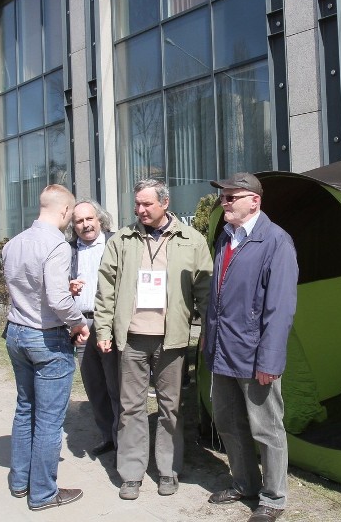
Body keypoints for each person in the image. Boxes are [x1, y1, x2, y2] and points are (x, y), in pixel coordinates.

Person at [95, 179, 212, 500]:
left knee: (170, 408)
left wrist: (205, 332)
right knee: (131, 408)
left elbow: (205, 291)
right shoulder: (122, 240)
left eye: (147, 204)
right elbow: (105, 290)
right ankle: (131, 473)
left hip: (172, 341)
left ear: (165, 203)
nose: (140, 210)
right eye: (137, 204)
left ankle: (168, 470)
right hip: (131, 339)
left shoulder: (192, 241)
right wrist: (104, 330)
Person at [202, 173, 298, 522]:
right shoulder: (226, 239)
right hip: (223, 350)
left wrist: (270, 359)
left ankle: (273, 498)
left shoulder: (276, 241)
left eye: (231, 196)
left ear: (254, 201)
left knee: (266, 428)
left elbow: (280, 307)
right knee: (228, 422)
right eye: (223, 197)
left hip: (255, 354)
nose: (224, 202)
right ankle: (245, 484)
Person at [2, 184, 90, 511]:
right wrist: (78, 322)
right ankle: (42, 492)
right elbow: (56, 299)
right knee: (50, 420)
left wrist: (61, 291)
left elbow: (28, 286)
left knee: (26, 407)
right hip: (46, 338)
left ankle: (19, 480)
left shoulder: (14, 243)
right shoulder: (57, 244)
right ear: (65, 211)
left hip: (16, 332)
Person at [67, 200, 119, 457]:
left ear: (100, 220)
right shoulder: (67, 250)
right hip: (81, 324)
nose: (85, 225)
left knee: (116, 384)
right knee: (94, 385)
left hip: (110, 323)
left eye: (90, 219)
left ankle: (125, 441)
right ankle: (107, 435)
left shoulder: (116, 242)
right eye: (79, 221)